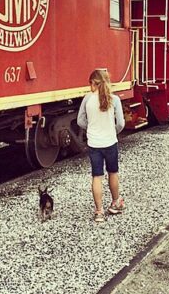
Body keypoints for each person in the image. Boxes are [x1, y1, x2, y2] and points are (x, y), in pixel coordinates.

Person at [77, 69, 125, 222]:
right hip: (110, 142)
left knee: (97, 176)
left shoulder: (87, 99)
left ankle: (99, 212)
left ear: (93, 83)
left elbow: (80, 121)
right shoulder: (115, 99)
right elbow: (121, 124)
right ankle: (116, 203)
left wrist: (90, 129)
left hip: (94, 143)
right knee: (113, 172)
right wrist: (113, 131)